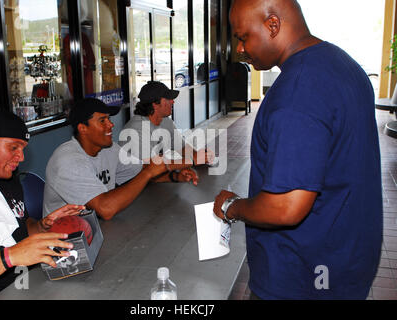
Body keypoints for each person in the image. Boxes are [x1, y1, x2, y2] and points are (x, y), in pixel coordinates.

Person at [214, 0, 382, 299]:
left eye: (243, 37)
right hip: (345, 264)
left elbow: (285, 207)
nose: (239, 49)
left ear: (273, 25)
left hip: (302, 278)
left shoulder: (296, 92)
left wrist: (232, 207)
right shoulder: (342, 63)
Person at [0, 109, 85, 300]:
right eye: (14, 147)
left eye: (23, 149)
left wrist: (42, 225)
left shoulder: (6, 178)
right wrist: (9, 257)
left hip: (27, 284)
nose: (21, 157)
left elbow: (21, 227)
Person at [43, 98, 199, 220]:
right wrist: (150, 172)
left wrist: (175, 176)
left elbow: (141, 171)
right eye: (102, 121)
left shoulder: (109, 148)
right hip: (65, 240)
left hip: (98, 229)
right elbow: (106, 209)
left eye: (109, 119)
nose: (111, 125)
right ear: (82, 128)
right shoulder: (68, 161)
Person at [118, 81, 214, 165]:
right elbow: (150, 167)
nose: (173, 102)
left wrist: (199, 155)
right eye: (168, 99)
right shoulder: (136, 130)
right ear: (155, 104)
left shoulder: (165, 121)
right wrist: (192, 161)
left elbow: (181, 147)